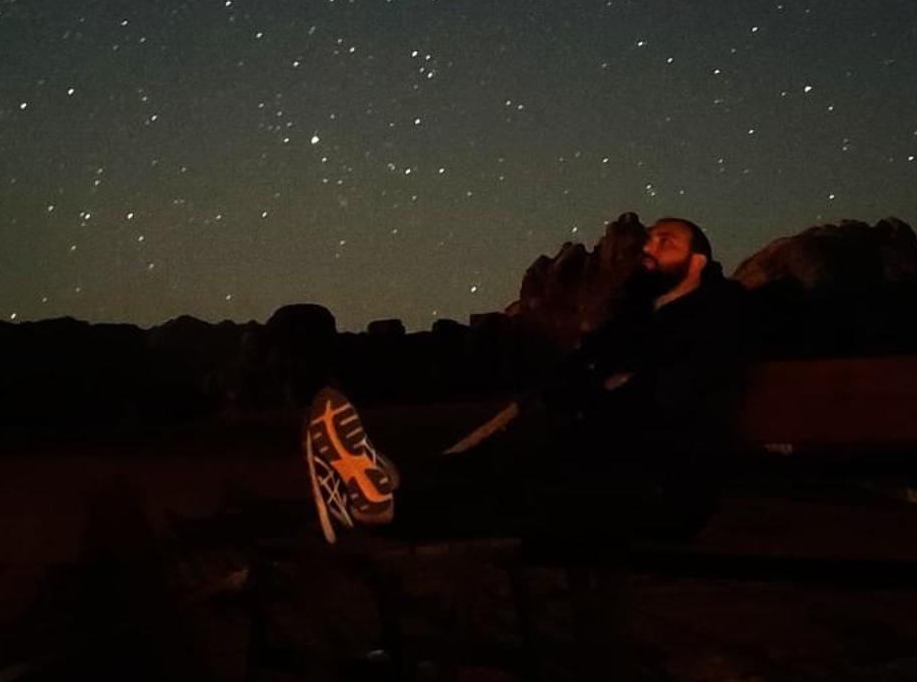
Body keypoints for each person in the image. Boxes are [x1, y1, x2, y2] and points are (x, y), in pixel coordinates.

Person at [304, 218, 755, 546]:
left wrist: (593, 396)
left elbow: (670, 399)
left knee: (513, 490)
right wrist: (585, 391)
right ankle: (386, 486)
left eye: (668, 241)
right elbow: (583, 375)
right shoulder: (634, 320)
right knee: (504, 467)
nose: (650, 246)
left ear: (699, 262)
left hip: (659, 488)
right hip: (601, 467)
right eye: (650, 237)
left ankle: (387, 499)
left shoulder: (716, 318)